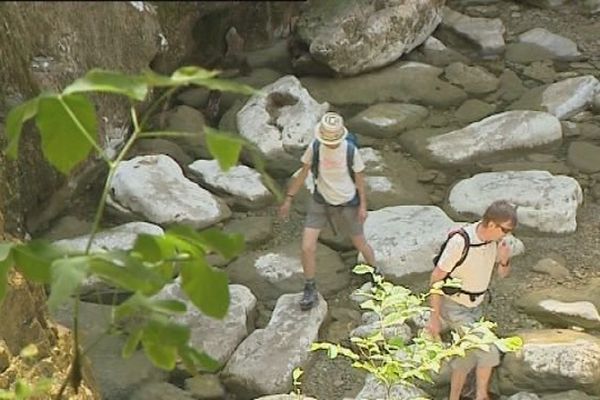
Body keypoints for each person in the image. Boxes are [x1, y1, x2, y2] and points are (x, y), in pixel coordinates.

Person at [279, 112, 377, 311]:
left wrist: (363, 206)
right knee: (307, 246)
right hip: (321, 200)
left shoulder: (350, 151)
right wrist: (289, 198)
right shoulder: (315, 148)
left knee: (360, 242)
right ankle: (310, 287)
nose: (330, 144)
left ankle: (377, 275)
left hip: (348, 201)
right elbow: (303, 173)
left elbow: (359, 179)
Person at [426, 200, 517, 400]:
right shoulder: (461, 242)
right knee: (488, 350)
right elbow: (436, 279)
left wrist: (504, 259)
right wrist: (434, 317)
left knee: (465, 358)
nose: (507, 235)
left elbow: (502, 274)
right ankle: (481, 396)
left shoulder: (494, 241)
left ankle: (454, 397)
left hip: (476, 306)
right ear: (492, 224)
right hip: (454, 306)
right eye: (505, 229)